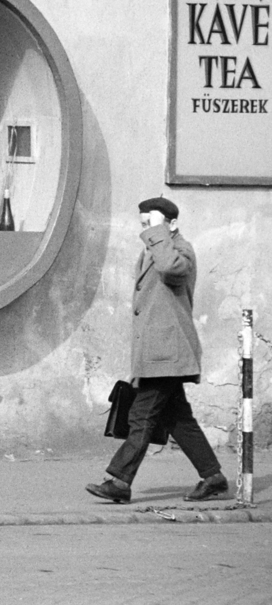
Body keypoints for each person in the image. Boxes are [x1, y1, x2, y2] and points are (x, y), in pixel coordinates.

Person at [86, 196, 229, 504]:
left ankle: (120, 481)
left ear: (171, 224)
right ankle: (213, 478)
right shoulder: (157, 249)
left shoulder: (179, 250)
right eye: (143, 224)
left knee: (141, 415)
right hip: (158, 353)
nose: (146, 231)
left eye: (150, 223)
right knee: (178, 419)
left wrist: (158, 233)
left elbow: (171, 270)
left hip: (168, 352)